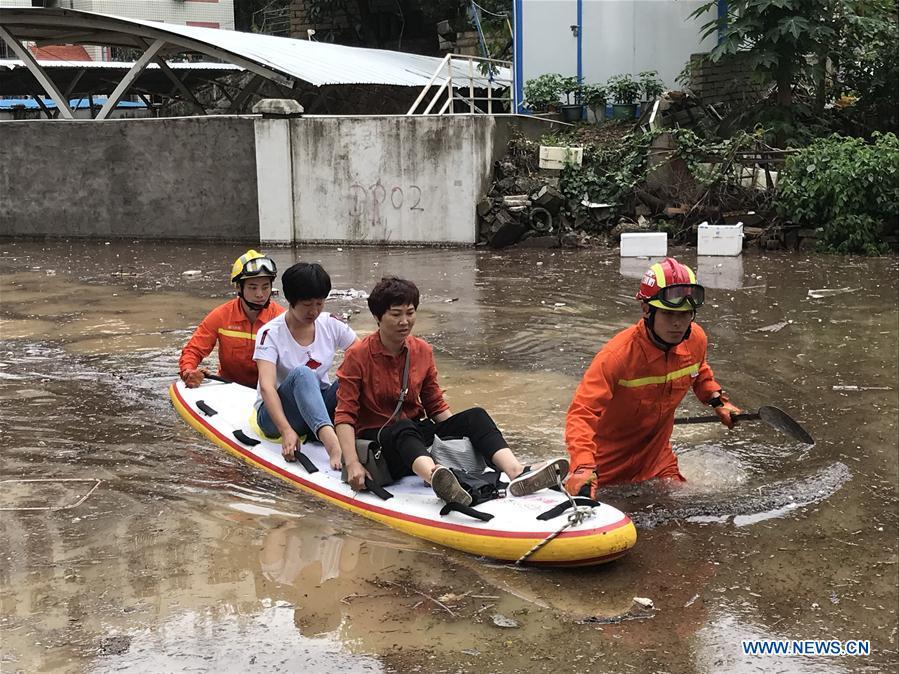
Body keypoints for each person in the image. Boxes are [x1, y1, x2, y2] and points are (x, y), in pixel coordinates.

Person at [335, 276, 568, 507]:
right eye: (396, 314)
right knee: (403, 428)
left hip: (416, 438)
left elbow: (435, 405)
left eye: (410, 312)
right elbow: (345, 415)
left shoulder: (422, 351)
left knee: (475, 416)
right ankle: (438, 478)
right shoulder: (358, 355)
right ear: (377, 317)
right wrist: (353, 462)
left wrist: (456, 438)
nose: (404, 321)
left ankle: (517, 472)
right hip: (381, 445)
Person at [564, 257, 741, 497]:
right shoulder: (616, 357)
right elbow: (582, 414)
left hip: (657, 459)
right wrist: (582, 467)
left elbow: (698, 372)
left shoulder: (696, 339)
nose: (678, 324)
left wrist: (718, 401)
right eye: (669, 314)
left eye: (686, 314)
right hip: (606, 466)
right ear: (647, 310)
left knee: (679, 516)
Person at [254, 262, 357, 470]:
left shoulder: (331, 324)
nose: (314, 311)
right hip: (277, 415)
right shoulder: (270, 333)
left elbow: (363, 356)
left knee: (353, 376)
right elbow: (266, 386)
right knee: (303, 373)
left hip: (318, 406)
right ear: (292, 301)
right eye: (307, 305)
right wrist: (286, 430)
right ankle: (333, 445)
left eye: (319, 304)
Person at [179, 250, 285, 389]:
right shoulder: (221, 316)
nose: (260, 294)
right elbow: (193, 350)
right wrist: (189, 371)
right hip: (229, 390)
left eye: (265, 287)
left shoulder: (282, 319)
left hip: (271, 390)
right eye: (253, 288)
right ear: (239, 287)